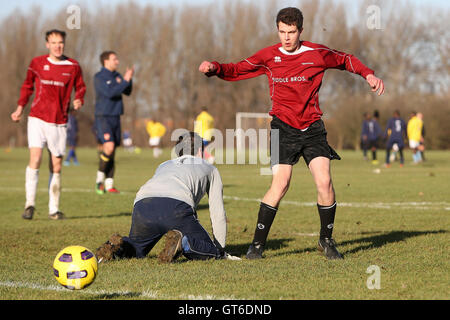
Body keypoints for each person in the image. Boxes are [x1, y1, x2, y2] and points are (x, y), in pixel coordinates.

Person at [199, 7, 384, 260]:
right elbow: (238, 69)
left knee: (325, 181)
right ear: (277, 29)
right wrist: (215, 68)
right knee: (281, 183)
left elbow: (346, 59)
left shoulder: (317, 54)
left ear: (301, 31)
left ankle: (326, 240)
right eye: (282, 31)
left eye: (291, 32)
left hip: (312, 128)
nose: (286, 37)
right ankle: (257, 246)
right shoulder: (268, 56)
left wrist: (368, 74)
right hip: (282, 128)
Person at [95, 132, 240, 263]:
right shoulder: (210, 168)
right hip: (176, 208)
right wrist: (219, 250)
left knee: (136, 250)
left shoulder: (164, 164)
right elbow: (217, 212)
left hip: (142, 205)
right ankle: (183, 242)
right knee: (208, 249)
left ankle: (117, 246)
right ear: (201, 151)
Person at [10, 29, 86, 220]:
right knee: (35, 159)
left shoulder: (73, 66)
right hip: (37, 118)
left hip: (59, 121)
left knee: (57, 165)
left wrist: (78, 100)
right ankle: (29, 205)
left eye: (60, 42)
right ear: (47, 44)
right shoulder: (37, 63)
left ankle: (54, 209)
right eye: (53, 43)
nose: (57, 46)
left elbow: (81, 87)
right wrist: (20, 108)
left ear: (64, 44)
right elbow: (27, 87)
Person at [94, 51, 134, 194]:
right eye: (114, 59)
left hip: (116, 116)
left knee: (112, 151)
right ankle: (99, 180)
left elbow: (127, 91)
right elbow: (110, 93)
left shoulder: (117, 76)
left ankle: (109, 185)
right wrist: (124, 81)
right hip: (103, 116)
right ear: (106, 61)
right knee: (108, 147)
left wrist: (129, 79)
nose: (117, 62)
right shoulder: (99, 77)